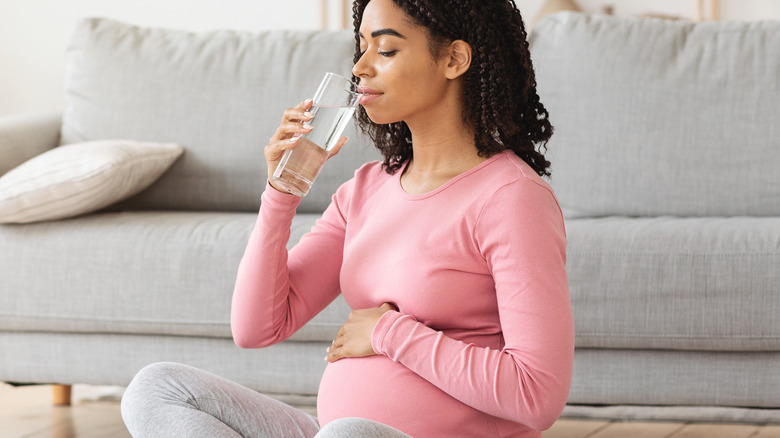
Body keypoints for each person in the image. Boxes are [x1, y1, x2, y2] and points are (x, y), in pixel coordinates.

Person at [120, 0, 574, 436]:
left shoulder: (512, 198)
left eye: (387, 48)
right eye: (362, 48)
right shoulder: (366, 188)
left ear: (454, 58)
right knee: (158, 388)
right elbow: (257, 327)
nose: (360, 67)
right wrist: (283, 191)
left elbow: (538, 396)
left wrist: (388, 332)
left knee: (349, 434)